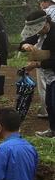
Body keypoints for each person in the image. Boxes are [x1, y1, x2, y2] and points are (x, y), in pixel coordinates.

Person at [19, 10, 55, 138]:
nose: (37, 32)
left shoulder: (53, 35)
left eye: (38, 29)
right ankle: (52, 130)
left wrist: (36, 64)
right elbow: (23, 43)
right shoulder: (40, 34)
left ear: (45, 24)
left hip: (52, 71)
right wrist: (26, 45)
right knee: (49, 104)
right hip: (50, 75)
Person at [35, 0, 55, 118]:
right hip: (48, 52)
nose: (42, 3)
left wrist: (37, 62)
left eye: (45, 1)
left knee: (44, 80)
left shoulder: (46, 14)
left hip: (44, 52)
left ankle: (45, 110)